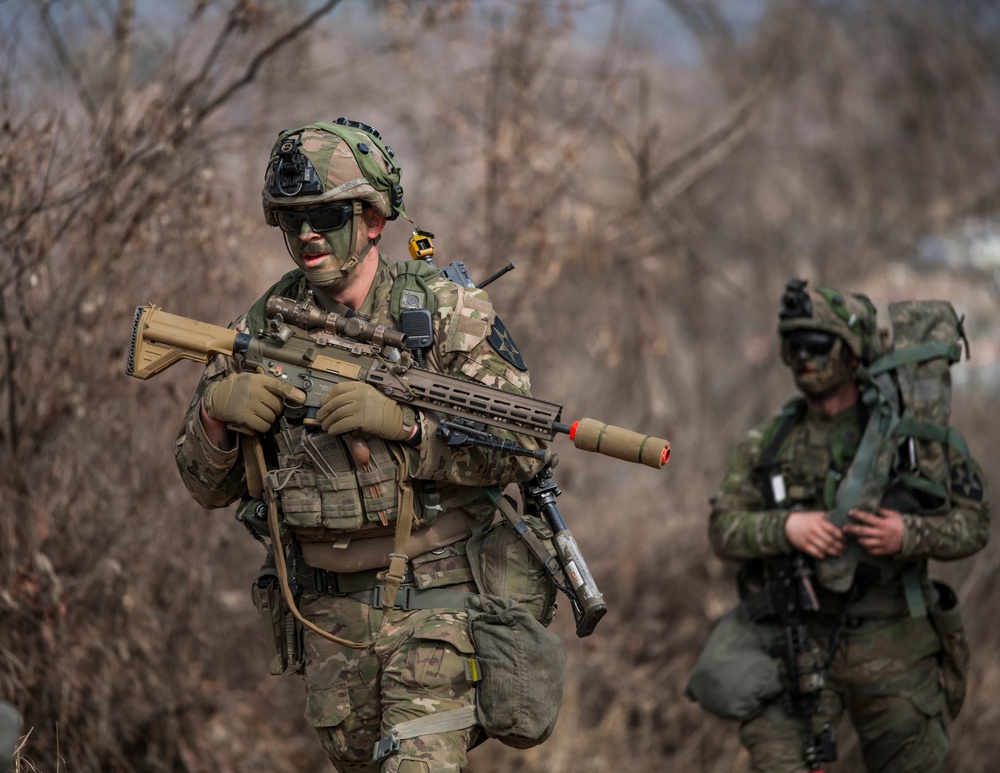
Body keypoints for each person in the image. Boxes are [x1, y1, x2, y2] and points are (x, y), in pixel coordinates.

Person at [173, 118, 561, 772]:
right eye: (292, 220)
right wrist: (215, 418)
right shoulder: (263, 324)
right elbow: (206, 486)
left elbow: (523, 442)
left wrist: (410, 428)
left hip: (438, 602)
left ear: (376, 218)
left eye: (327, 215)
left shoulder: (446, 312)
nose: (308, 236)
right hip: (329, 621)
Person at [700, 279, 989, 772]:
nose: (804, 359)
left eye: (817, 345)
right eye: (794, 347)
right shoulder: (769, 442)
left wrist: (909, 534)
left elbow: (975, 523)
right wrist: (786, 528)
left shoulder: (910, 437)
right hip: (801, 639)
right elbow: (723, 529)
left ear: (852, 353)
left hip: (896, 638)